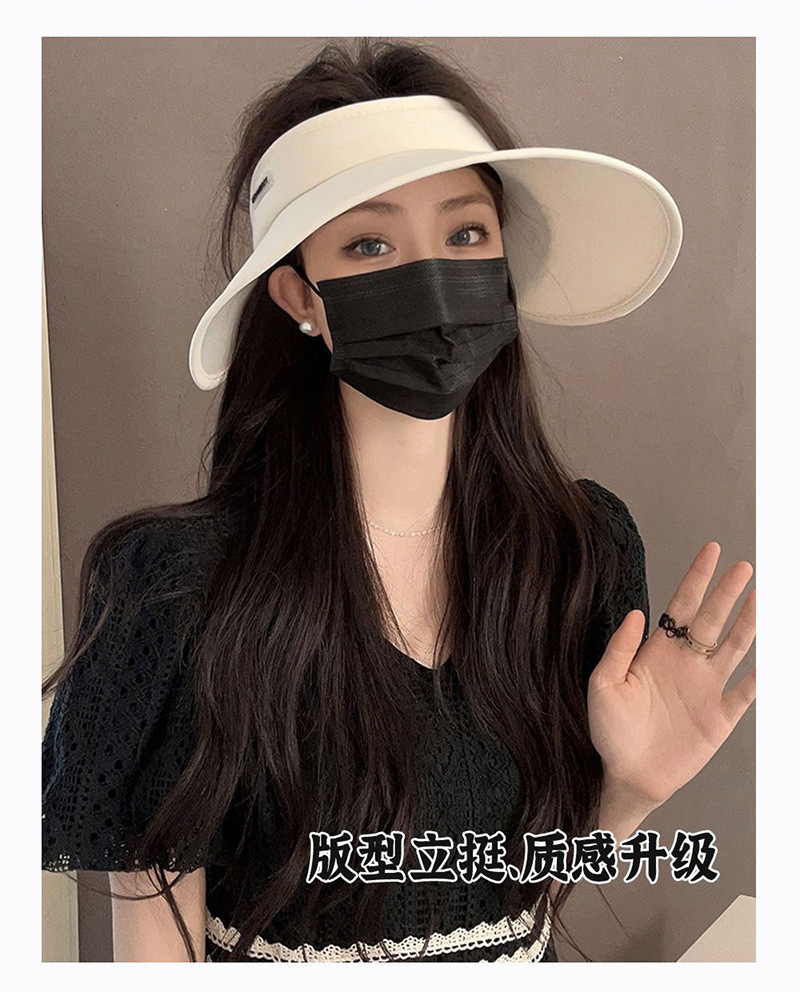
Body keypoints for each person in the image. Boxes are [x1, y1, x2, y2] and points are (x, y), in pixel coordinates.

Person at [41, 39, 756, 963]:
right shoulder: (175, 589)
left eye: (466, 235)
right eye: (370, 244)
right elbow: (154, 950)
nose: (433, 280)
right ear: (299, 296)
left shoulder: (577, 551)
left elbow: (518, 900)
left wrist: (632, 792)